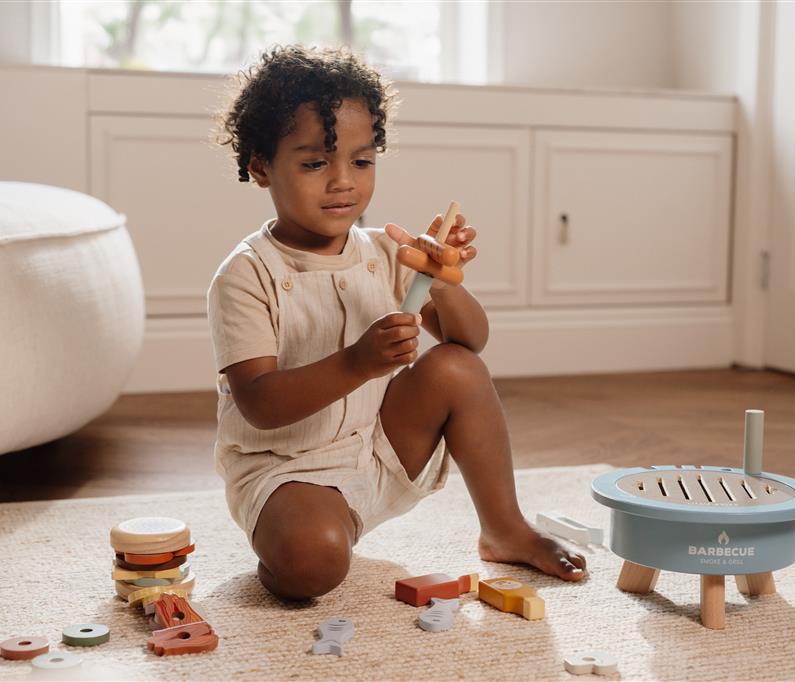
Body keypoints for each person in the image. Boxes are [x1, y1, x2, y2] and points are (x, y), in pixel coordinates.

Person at [210, 45, 586, 600]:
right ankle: (286, 550)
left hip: (377, 445)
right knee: (312, 564)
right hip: (283, 469)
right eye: (315, 163)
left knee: (455, 368)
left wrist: (439, 279)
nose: (344, 182)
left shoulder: (387, 251)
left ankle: (505, 528)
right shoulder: (245, 275)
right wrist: (357, 362)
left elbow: (470, 343)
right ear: (261, 166)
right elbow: (260, 405)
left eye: (361, 162)